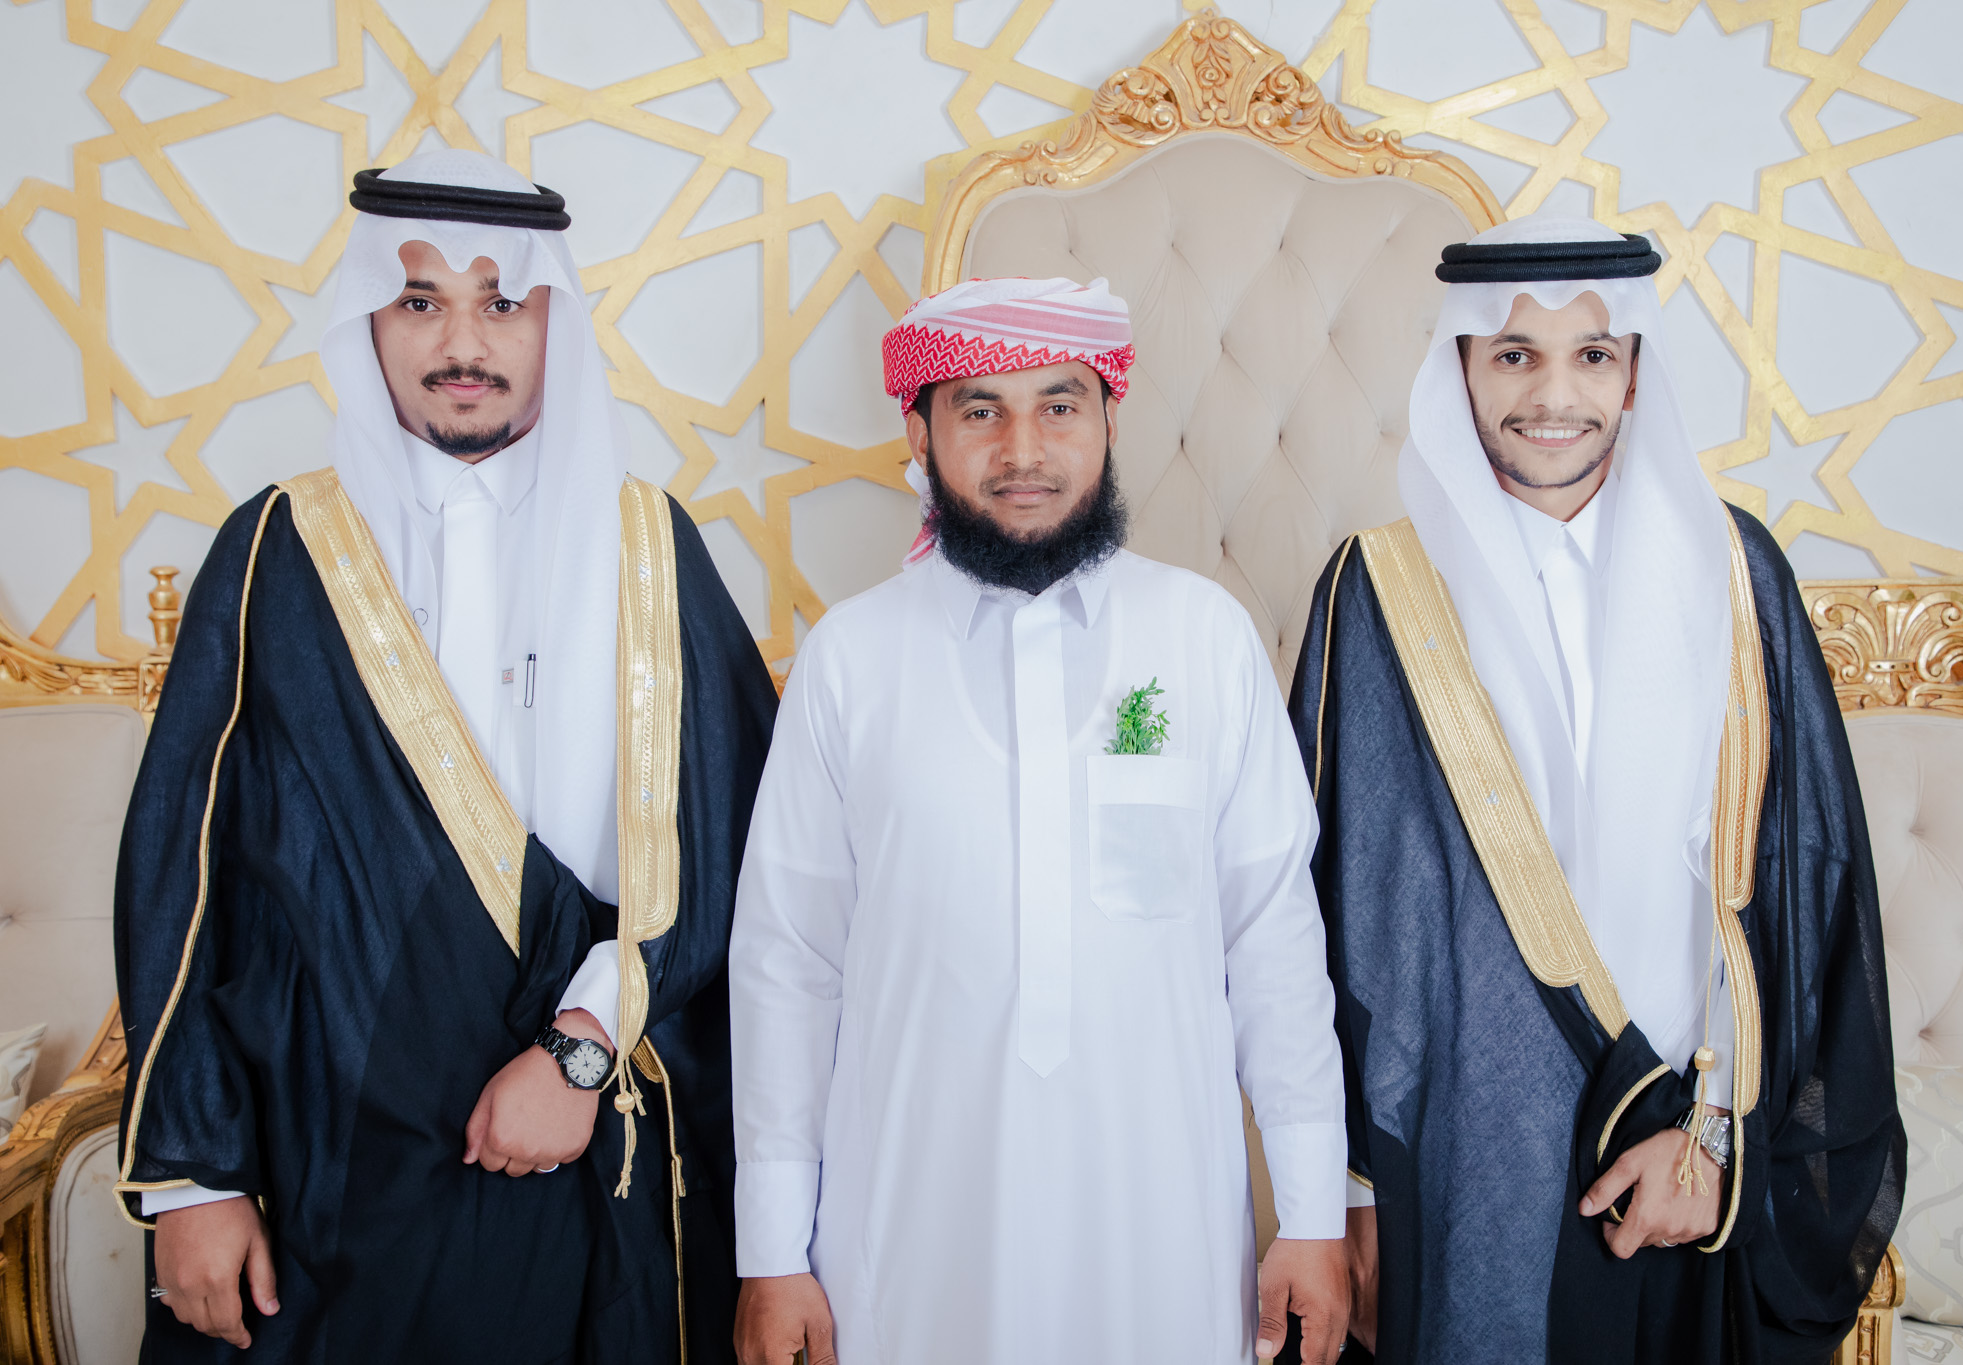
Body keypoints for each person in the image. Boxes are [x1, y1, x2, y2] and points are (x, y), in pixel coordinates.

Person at [114, 149, 777, 1361]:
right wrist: (191, 1179)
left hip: (585, 1140)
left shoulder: (647, 546)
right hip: (332, 1153)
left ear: (552, 323)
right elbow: (182, 873)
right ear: (368, 321)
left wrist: (579, 1051)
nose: (461, 342)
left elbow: (737, 847)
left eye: (501, 302)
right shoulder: (277, 547)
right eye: (419, 300)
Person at [1289, 218, 1903, 1363]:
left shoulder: (1732, 573)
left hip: (1687, 1146)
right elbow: (1333, 907)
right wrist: (1351, 1194)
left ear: (1631, 376)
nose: (1551, 394)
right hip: (1466, 1153)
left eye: (1590, 355)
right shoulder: (1380, 588)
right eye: (1511, 355)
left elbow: (1804, 882)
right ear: (1460, 369)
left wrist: (1715, 1148)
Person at [727, 277, 1350, 1365]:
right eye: (981, 410)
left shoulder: (1202, 637)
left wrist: (1310, 1214)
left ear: (1108, 419)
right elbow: (789, 965)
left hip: (1159, 1229)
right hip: (909, 1230)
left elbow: (1273, 943)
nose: (1024, 450)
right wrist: (770, 1253)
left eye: (1059, 405)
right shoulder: (850, 660)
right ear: (918, 432)